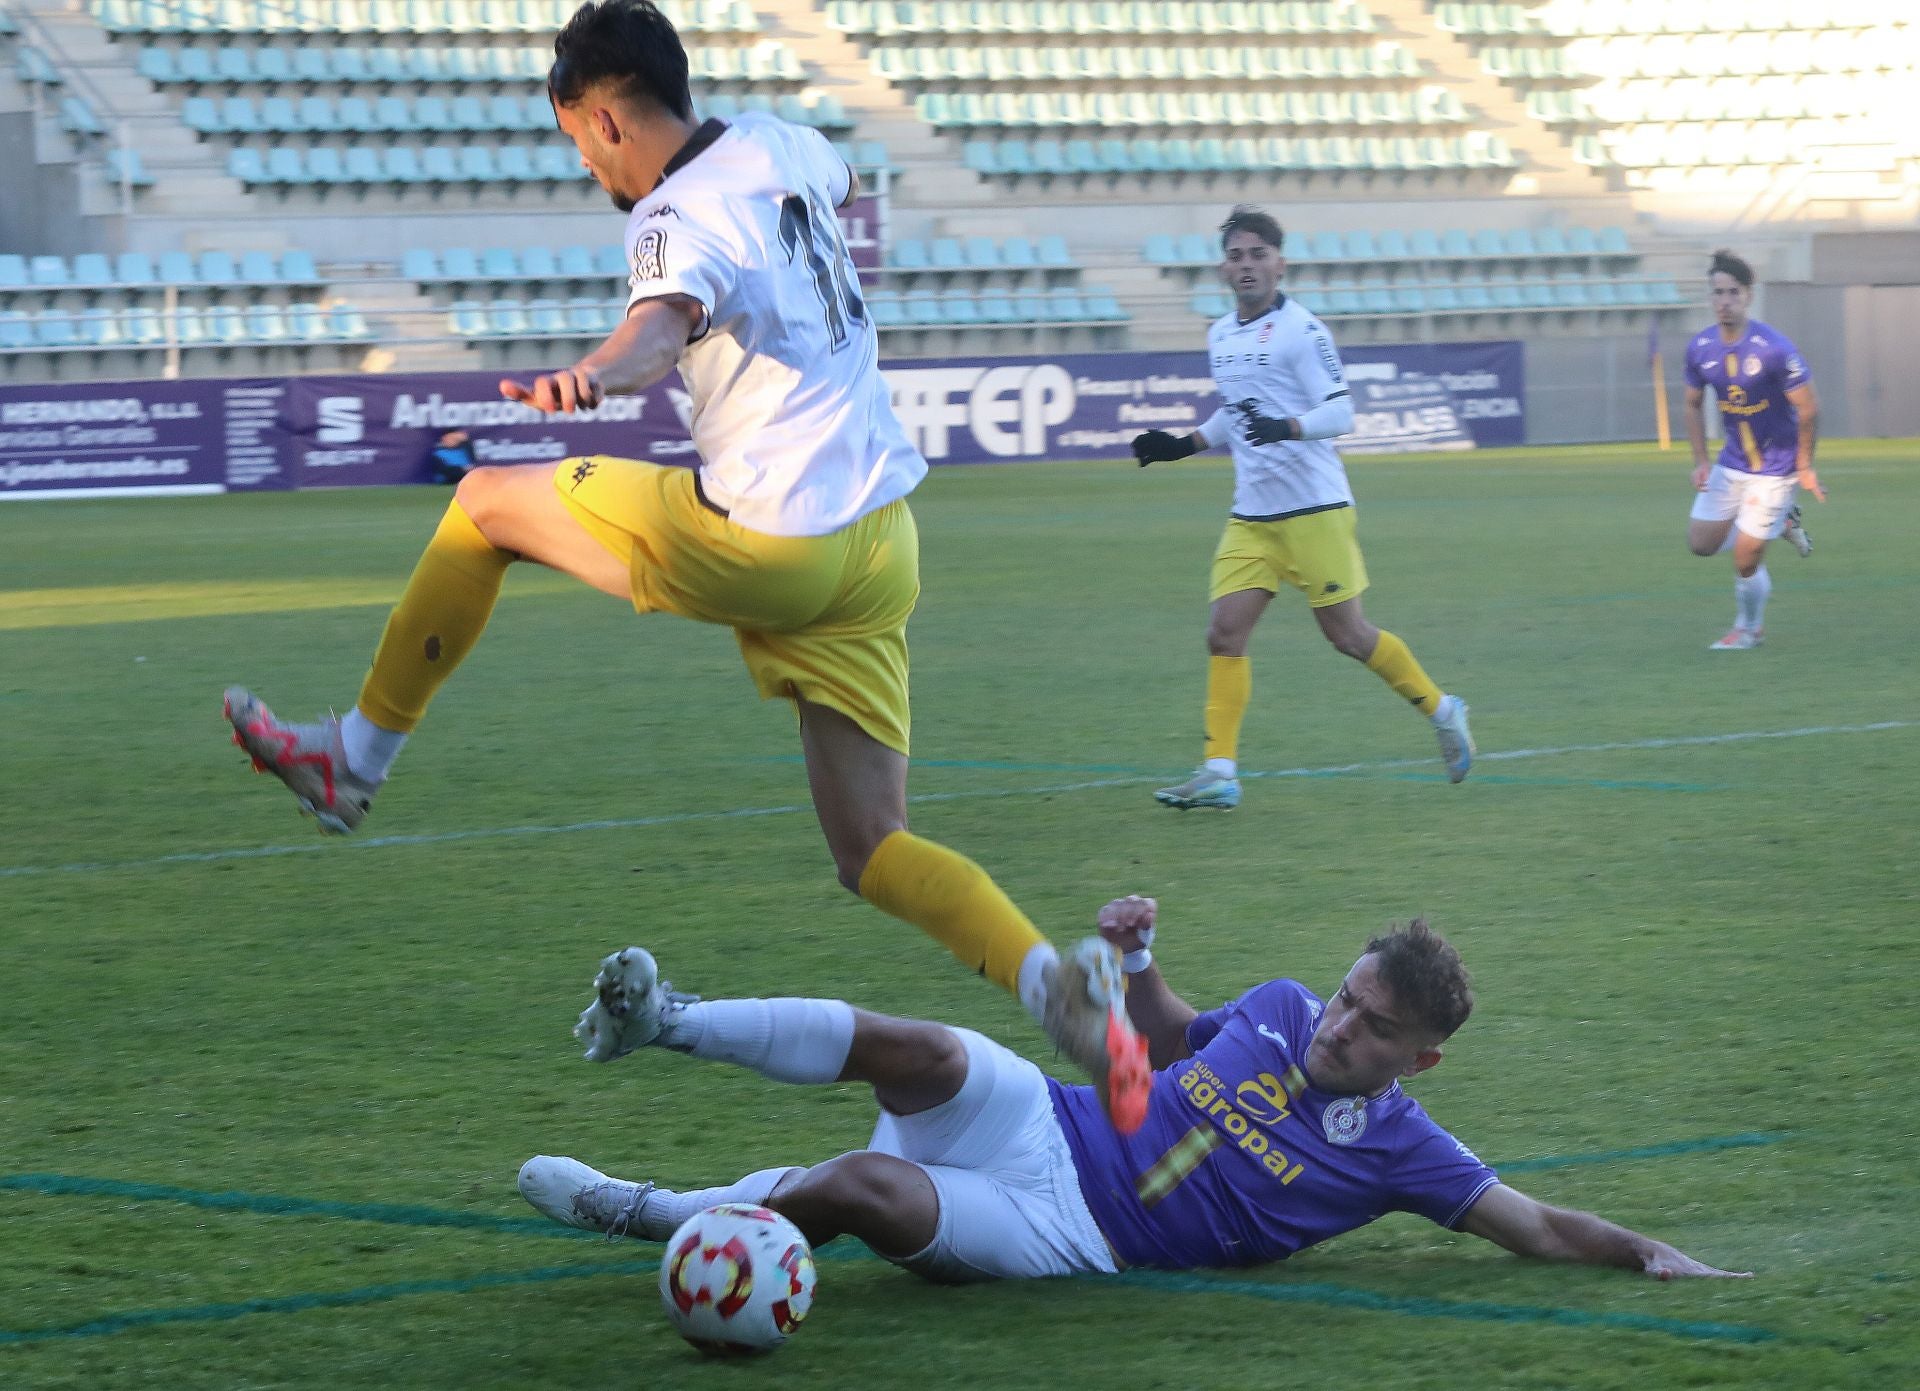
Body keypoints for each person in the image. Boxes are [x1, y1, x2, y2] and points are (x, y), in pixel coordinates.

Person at [220, 0, 1146, 1127]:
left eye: (574, 141)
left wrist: (596, 375)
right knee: (874, 848)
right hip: (878, 538)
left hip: (765, 535)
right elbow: (838, 190)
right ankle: (1053, 983)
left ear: (606, 120)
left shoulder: (668, 216)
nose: (585, 166)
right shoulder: (784, 145)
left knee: (479, 508)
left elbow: (660, 328)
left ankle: (352, 759)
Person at [519, 896, 1747, 1286]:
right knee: (927, 1048)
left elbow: (1532, 1225)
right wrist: (1142, 961)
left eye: (1374, 1029)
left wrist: (1649, 1253)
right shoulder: (1273, 1006)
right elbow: (1163, 1040)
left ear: (1420, 1058)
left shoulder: (1404, 1147)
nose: (1337, 1027)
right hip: (1053, 1116)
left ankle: (648, 1208)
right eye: (1342, 998)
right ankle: (666, 1019)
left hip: (1076, 1231)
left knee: (863, 1189)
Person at [1131, 206, 1473, 811]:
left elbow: (1341, 412)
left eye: (1258, 254)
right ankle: (1219, 771)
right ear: (1222, 269)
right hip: (1253, 515)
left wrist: (1287, 427)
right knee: (1223, 633)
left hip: (1315, 507)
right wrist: (1181, 446)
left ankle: (1442, 710)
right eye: (1236, 256)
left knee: (1348, 636)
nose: (1247, 266)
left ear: (1280, 264)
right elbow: (1234, 413)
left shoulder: (1303, 331)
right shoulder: (1220, 334)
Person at [1683, 249, 1824, 651]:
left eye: (1732, 293)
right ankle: (1781, 524)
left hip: (1776, 469)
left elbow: (1809, 407)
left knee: (1745, 558)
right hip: (1732, 463)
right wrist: (1700, 461)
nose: (1724, 302)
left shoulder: (1773, 348)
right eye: (1717, 293)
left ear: (1748, 295)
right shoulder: (1701, 347)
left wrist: (1805, 465)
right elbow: (1692, 403)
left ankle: (1748, 628)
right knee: (1700, 544)